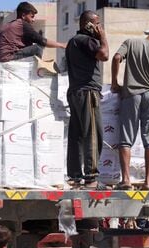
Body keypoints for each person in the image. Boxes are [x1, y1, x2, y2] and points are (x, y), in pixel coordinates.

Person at [110, 20, 149, 190]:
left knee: (126, 139)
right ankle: (147, 182)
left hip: (131, 96)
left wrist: (115, 82)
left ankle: (125, 180)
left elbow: (117, 57)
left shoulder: (131, 43)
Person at [65, 10, 109, 188]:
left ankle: (75, 177)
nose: (99, 28)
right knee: (92, 134)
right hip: (88, 92)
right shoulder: (86, 40)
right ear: (88, 24)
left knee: (76, 135)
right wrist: (103, 37)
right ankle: (91, 177)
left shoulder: (72, 42)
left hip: (75, 91)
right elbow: (104, 55)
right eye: (97, 24)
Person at [0, 2, 66, 62]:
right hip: (6, 58)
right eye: (32, 17)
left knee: (29, 44)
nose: (33, 20)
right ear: (23, 16)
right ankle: (35, 74)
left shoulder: (8, 25)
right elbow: (42, 41)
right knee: (37, 48)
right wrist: (62, 45)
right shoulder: (22, 24)